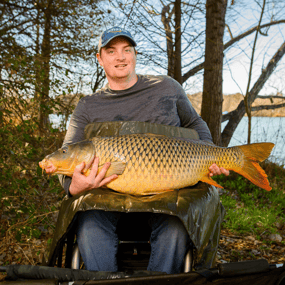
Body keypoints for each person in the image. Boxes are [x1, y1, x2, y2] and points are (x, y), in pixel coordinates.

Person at [45, 26, 229, 274]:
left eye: (126, 50)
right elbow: (67, 155)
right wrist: (73, 186)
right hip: (106, 199)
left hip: (168, 195)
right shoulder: (87, 107)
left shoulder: (167, 87)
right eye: (111, 51)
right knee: (89, 228)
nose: (120, 57)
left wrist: (210, 154)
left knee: (175, 230)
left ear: (134, 54)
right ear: (100, 59)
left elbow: (195, 124)